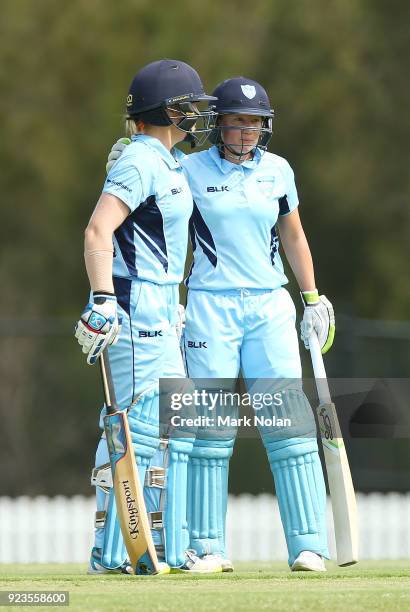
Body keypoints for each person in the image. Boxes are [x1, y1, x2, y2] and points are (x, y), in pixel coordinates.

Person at [106, 76, 335, 573]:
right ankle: (207, 548)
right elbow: (151, 193)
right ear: (219, 125)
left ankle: (309, 546)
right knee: (209, 427)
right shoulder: (188, 167)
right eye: (238, 121)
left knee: (289, 427)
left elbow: (294, 237)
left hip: (270, 306)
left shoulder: (278, 171)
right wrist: (124, 151)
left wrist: (312, 298)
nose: (248, 131)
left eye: (256, 122)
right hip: (210, 306)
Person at [74, 59, 222, 575]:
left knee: (176, 427)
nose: (197, 116)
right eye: (191, 106)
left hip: (161, 306)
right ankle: (113, 554)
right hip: (134, 310)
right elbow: (98, 231)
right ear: (168, 109)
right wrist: (101, 300)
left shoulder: (165, 161)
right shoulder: (140, 161)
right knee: (134, 427)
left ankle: (165, 545)